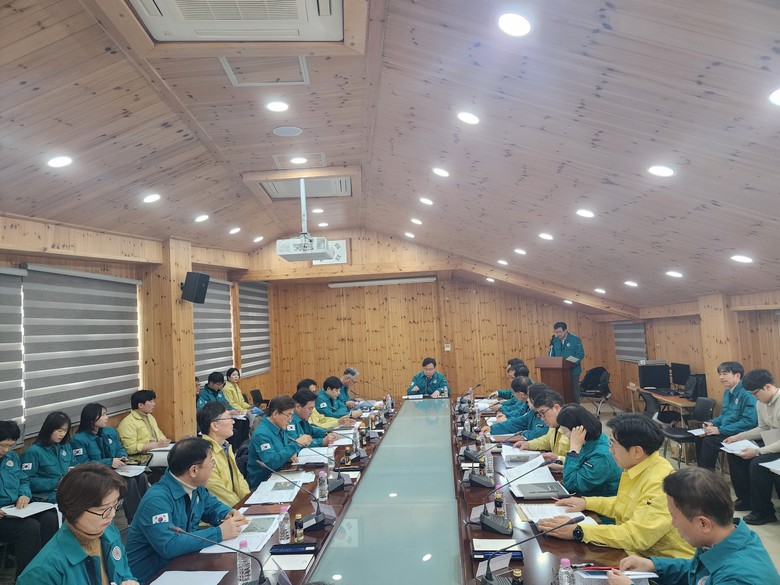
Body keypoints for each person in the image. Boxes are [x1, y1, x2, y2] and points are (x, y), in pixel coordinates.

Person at [538, 414, 693, 559]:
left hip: (662, 565)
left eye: (613, 444)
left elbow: (636, 536)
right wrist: (586, 502)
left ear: (637, 451)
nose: (610, 449)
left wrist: (578, 531)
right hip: (636, 554)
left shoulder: (660, 483)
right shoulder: (640, 466)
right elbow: (624, 504)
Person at [606, 467, 780, 585]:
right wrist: (654, 565)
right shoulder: (725, 539)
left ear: (703, 523)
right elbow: (696, 571)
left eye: (675, 517)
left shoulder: (737, 578)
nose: (673, 523)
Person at [125, 438, 245, 583]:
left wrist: (227, 513)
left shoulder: (196, 487)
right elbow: (169, 545)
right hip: (153, 576)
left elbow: (212, 506)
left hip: (183, 564)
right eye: (211, 463)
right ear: (193, 470)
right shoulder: (156, 500)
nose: (213, 467)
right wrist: (219, 533)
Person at [17, 462, 138, 585]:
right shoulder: (42, 573)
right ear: (75, 509)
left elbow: (124, 571)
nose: (112, 514)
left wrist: (129, 581)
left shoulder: (109, 532)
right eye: (103, 509)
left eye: (115, 505)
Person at [72, 403, 150, 523]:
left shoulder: (110, 432)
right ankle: (135, 521)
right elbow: (83, 464)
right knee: (128, 482)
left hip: (116, 470)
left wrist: (122, 456)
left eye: (106, 414)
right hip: (96, 475)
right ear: (92, 418)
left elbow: (119, 448)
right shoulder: (79, 439)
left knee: (142, 477)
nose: (107, 417)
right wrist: (109, 462)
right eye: (103, 415)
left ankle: (148, 513)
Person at [0, 421, 58, 578]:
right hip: (2, 516)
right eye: (3, 445)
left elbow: (24, 480)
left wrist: (24, 494)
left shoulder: (12, 457)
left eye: (10, 446)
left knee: (49, 518)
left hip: (15, 509)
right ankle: (27, 577)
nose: (5, 450)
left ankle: (47, 568)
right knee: (30, 527)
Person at [723, 368, 780, 525]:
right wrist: (739, 437)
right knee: (736, 454)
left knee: (757, 463)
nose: (755, 397)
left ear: (768, 387)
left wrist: (757, 451)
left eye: (755, 393)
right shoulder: (761, 403)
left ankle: (764, 512)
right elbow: (762, 428)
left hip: (776, 445)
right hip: (773, 441)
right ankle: (746, 499)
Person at [696, 361, 757, 470]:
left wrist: (719, 430)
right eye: (720, 374)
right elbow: (725, 414)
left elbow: (749, 422)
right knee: (700, 437)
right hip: (727, 429)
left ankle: (706, 477)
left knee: (709, 441)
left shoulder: (747, 394)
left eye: (725, 374)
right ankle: (700, 473)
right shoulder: (727, 392)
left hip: (741, 432)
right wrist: (712, 423)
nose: (721, 377)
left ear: (737, 375)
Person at [555, 404, 622, 497]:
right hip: (587, 496)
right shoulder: (593, 440)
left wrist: (574, 450)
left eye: (565, 431)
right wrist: (562, 468)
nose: (564, 435)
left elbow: (571, 485)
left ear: (579, 429)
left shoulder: (601, 456)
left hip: (598, 501)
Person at [196, 401, 250, 507]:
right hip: (221, 512)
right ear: (214, 425)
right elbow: (219, 492)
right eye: (228, 418)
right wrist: (242, 507)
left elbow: (239, 480)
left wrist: (249, 501)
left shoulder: (226, 446)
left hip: (236, 507)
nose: (233, 422)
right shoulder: (204, 455)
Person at [247, 396, 301, 488]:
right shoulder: (261, 434)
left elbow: (282, 450)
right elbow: (271, 463)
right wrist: (296, 444)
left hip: (280, 474)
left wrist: (288, 455)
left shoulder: (279, 427)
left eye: (292, 415)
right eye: (288, 415)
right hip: (263, 483)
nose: (290, 420)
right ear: (275, 414)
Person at [21, 410, 74, 503]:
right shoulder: (33, 452)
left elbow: (74, 464)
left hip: (67, 490)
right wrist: (57, 482)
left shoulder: (65, 446)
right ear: (49, 429)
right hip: (46, 496)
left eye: (65, 430)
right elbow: (27, 480)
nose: (62, 434)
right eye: (59, 430)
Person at [512, 390, 570, 472]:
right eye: (539, 414)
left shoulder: (573, 426)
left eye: (543, 413)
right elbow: (547, 440)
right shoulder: (554, 425)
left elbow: (583, 462)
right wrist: (528, 444)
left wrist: (559, 458)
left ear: (556, 408)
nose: (542, 418)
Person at [485, 382, 550, 439]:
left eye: (529, 397)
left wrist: (521, 434)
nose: (527, 400)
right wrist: (492, 429)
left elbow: (537, 434)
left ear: (536, 399)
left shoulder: (547, 415)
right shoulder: (533, 412)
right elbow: (517, 423)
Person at [117, 390, 171, 455]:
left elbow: (159, 434)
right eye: (150, 401)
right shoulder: (128, 423)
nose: (154, 404)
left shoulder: (149, 416)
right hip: (143, 455)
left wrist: (165, 442)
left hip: (156, 450)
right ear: (140, 405)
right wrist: (156, 445)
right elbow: (130, 448)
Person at [549, 321, 585, 403]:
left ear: (565, 330)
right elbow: (551, 354)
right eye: (556, 332)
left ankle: (576, 410)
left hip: (573, 371)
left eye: (560, 332)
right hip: (559, 372)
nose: (558, 334)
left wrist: (571, 363)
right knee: (560, 392)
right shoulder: (555, 340)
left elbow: (580, 354)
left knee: (574, 393)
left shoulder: (575, 339)